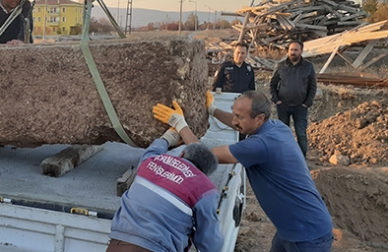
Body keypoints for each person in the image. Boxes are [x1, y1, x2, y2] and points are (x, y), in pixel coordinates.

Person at [207, 90, 333, 252]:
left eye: (239, 116)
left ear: (259, 118)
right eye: (234, 114)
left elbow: (208, 155)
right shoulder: (277, 127)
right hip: (292, 228)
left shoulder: (259, 145)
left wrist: (181, 127)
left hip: (308, 237)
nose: (234, 120)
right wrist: (213, 110)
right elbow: (239, 124)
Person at [106, 102, 223, 252]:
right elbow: (210, 241)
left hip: (118, 244)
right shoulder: (205, 189)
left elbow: (153, 150)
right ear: (205, 173)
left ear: (181, 155)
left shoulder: (150, 161)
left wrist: (169, 136)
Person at [270, 40, 317, 157]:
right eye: (291, 50)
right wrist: (277, 100)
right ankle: (283, 158)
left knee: (301, 134)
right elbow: (272, 84)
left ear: (301, 51)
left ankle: (301, 160)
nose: (293, 52)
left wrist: (307, 103)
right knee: (283, 134)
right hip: (283, 106)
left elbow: (313, 86)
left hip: (300, 107)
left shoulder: (308, 67)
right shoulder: (280, 66)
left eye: (296, 50)